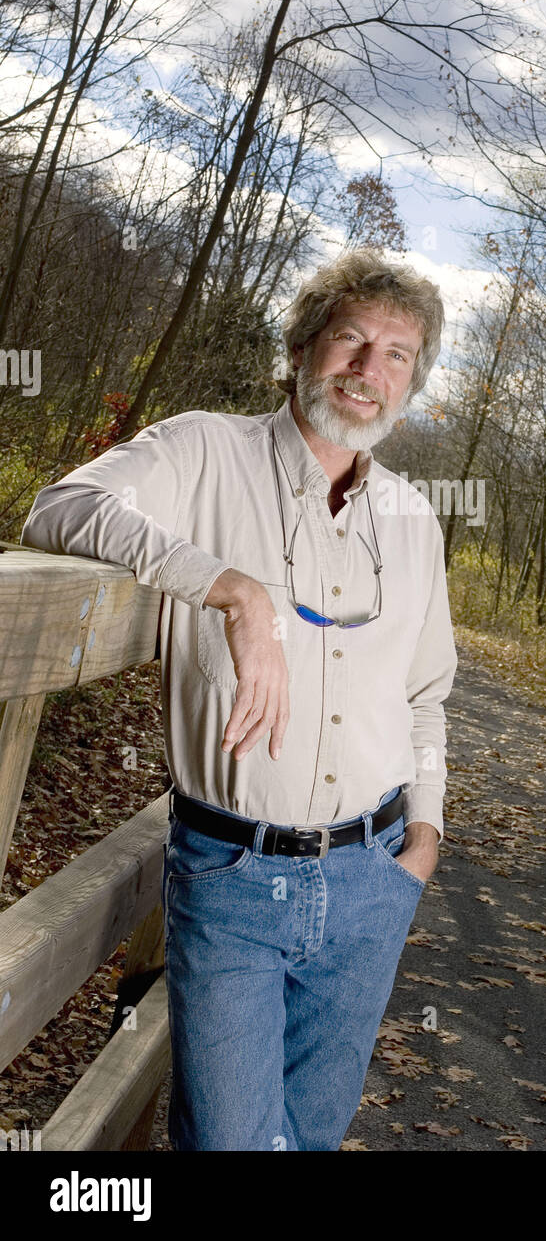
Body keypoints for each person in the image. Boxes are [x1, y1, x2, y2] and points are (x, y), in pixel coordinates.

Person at [20, 247, 459, 1151]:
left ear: (412, 382)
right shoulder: (204, 449)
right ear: (301, 347)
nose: (367, 371)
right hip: (232, 878)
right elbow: (59, 507)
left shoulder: (413, 519)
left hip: (373, 876)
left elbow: (426, 695)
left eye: (396, 354)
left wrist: (424, 836)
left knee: (313, 1138)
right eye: (350, 340)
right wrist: (232, 588)